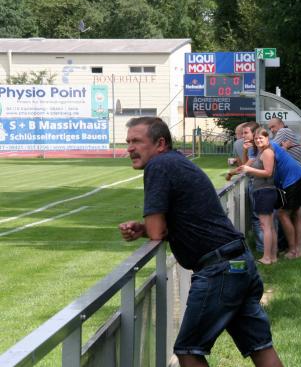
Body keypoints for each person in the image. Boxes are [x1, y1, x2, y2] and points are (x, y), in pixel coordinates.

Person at [118, 117, 283, 367]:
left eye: (137, 141)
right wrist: (145, 229)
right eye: (128, 142)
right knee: (260, 347)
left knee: (187, 350)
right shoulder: (175, 161)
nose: (130, 148)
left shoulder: (159, 165)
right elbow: (167, 224)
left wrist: (148, 229)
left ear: (160, 143)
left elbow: (156, 231)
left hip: (220, 270)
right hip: (238, 263)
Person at [236, 128, 278, 265]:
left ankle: (266, 257)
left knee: (265, 226)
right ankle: (272, 256)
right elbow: (245, 165)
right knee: (270, 226)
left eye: (261, 138)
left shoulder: (267, 152)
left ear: (267, 138)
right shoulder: (262, 152)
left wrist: (250, 169)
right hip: (264, 191)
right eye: (256, 139)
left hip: (265, 191)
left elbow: (268, 172)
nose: (258, 140)